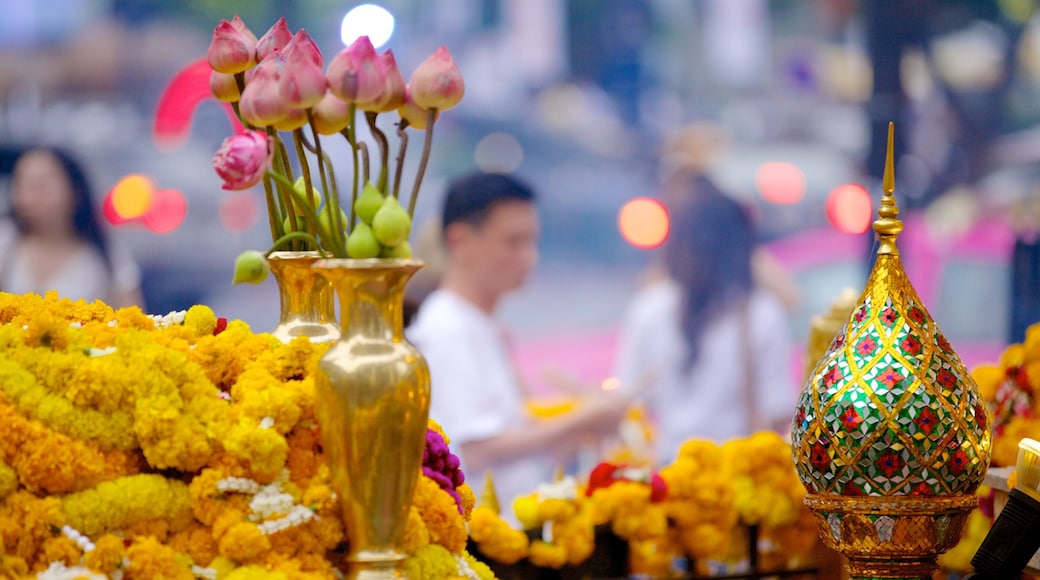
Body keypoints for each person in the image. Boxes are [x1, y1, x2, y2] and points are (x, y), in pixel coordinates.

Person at [407, 172, 635, 512]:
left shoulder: (478, 325)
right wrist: (582, 420)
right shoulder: (447, 328)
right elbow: (474, 450)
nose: (529, 257)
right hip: (488, 534)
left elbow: (506, 435)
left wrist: (575, 426)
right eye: (513, 242)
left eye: (532, 241)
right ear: (460, 241)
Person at [612, 174, 795, 465]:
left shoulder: (650, 306)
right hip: (730, 481)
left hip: (672, 476)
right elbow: (777, 411)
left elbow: (630, 404)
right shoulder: (761, 312)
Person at [0, 147, 144, 308]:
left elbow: (132, 316)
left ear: (75, 190)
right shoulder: (6, 240)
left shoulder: (105, 252)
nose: (28, 197)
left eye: (41, 186)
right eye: (20, 185)